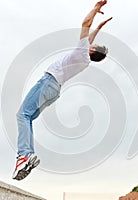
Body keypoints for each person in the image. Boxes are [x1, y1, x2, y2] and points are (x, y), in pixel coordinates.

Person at [12, 0, 113, 180]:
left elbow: (84, 24)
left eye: (93, 45)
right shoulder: (85, 60)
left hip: (48, 82)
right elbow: (90, 39)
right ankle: (27, 156)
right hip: (54, 92)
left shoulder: (83, 52)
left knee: (22, 115)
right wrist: (99, 26)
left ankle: (24, 155)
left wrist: (95, 9)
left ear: (92, 50)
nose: (90, 43)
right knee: (28, 119)